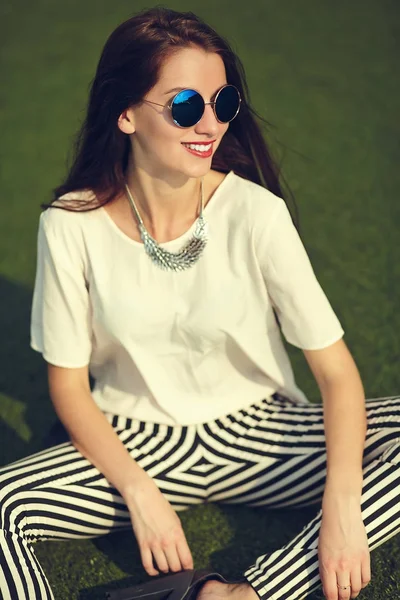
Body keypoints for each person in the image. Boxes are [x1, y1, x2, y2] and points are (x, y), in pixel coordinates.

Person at [0, 6, 399, 600]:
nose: (210, 124)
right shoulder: (69, 225)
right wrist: (139, 494)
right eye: (186, 106)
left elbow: (337, 374)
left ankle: (241, 594)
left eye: (224, 103)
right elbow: (69, 387)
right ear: (127, 114)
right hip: (134, 441)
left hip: (260, 431)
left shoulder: (256, 212)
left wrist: (343, 505)